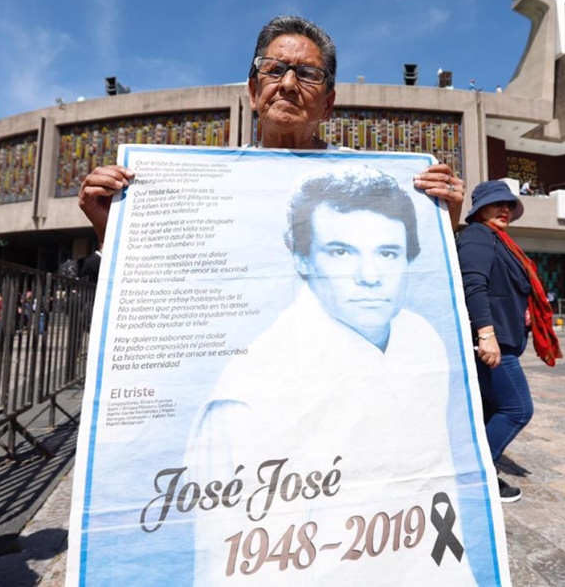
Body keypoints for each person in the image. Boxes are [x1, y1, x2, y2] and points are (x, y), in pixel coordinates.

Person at [187, 165, 473, 584]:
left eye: (388, 253)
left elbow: (437, 488)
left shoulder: (420, 338)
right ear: (302, 258)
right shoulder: (249, 395)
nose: (370, 276)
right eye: (341, 252)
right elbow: (235, 564)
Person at [78, 15, 464, 250]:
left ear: (328, 104)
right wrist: (108, 226)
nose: (289, 84)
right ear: (252, 92)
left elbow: (412, 268)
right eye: (274, 69)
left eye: (309, 74)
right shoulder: (212, 186)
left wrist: (442, 218)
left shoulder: (368, 182)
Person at [456, 180, 561, 502]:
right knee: (517, 409)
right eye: (497, 204)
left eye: (510, 205)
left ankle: (468, 468)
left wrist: (523, 313)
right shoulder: (477, 235)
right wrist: (486, 334)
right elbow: (473, 285)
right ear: (480, 209)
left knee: (489, 411)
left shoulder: (500, 241)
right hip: (490, 344)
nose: (505, 210)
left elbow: (506, 290)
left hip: (503, 340)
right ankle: (475, 476)